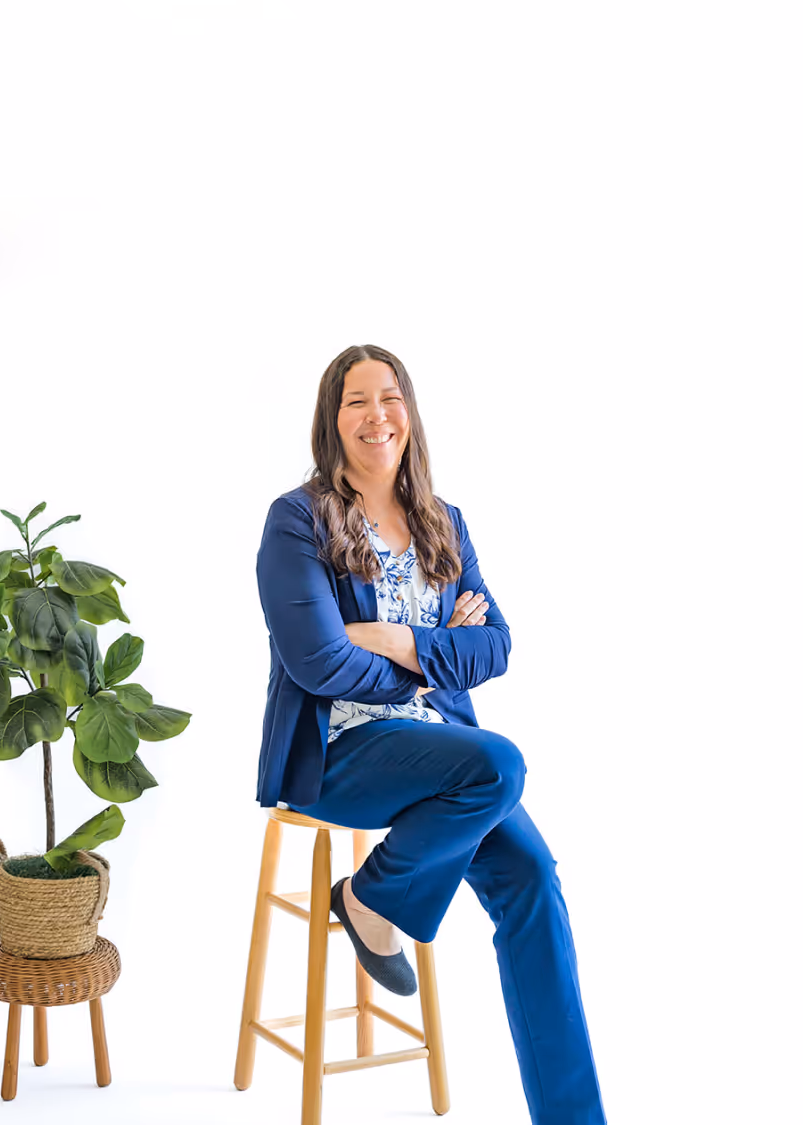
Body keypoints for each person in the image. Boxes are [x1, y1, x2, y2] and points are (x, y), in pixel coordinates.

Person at [254, 345, 608, 1125]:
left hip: (440, 752)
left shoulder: (444, 522)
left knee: (535, 886)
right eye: (355, 402)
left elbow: (500, 646)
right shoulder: (298, 520)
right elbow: (319, 662)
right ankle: (374, 900)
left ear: (408, 410)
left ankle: (574, 1119)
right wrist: (438, 652)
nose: (376, 416)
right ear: (331, 419)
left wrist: (398, 641)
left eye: (389, 398)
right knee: (500, 765)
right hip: (344, 752)